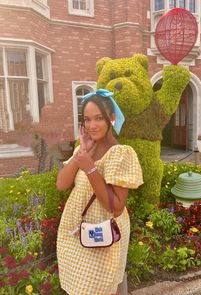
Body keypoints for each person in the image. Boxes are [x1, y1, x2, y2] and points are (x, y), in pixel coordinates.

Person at [56, 89, 143, 295]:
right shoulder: (85, 149)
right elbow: (61, 183)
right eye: (87, 119)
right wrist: (82, 153)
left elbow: (116, 206)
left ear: (111, 119)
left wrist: (90, 168)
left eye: (98, 118)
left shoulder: (121, 153)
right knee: (78, 287)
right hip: (76, 231)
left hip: (104, 235)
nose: (92, 125)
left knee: (99, 289)